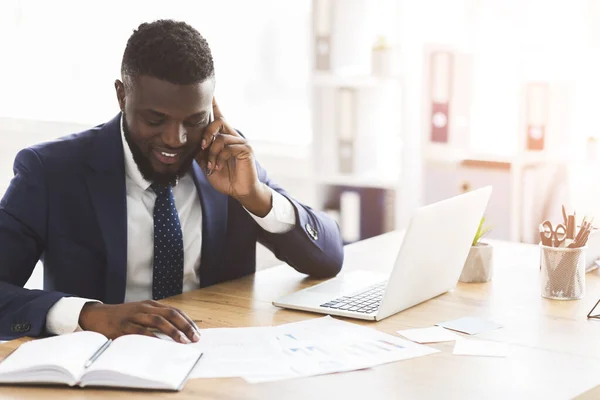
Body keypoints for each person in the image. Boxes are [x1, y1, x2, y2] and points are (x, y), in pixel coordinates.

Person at [0, 20, 344, 342]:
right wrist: (89, 314)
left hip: (212, 356)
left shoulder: (226, 163)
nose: (176, 139)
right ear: (122, 96)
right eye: (155, 119)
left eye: (194, 120)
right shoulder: (51, 171)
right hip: (99, 368)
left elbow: (327, 259)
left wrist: (255, 196)